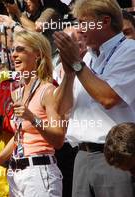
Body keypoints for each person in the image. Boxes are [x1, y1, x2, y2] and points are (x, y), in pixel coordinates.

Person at [53, 0, 135, 196]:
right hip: (82, 156)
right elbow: (60, 108)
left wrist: (76, 63)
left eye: (84, 22)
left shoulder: (130, 51)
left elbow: (108, 98)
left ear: (105, 21)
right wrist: (70, 73)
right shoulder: (87, 58)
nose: (80, 30)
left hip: (117, 158)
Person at [0, 30, 65, 197]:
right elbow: (20, 135)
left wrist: (32, 117)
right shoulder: (18, 92)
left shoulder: (48, 90)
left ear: (38, 54)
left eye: (20, 50)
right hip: (16, 173)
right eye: (12, 50)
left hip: (39, 171)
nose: (14, 55)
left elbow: (58, 139)